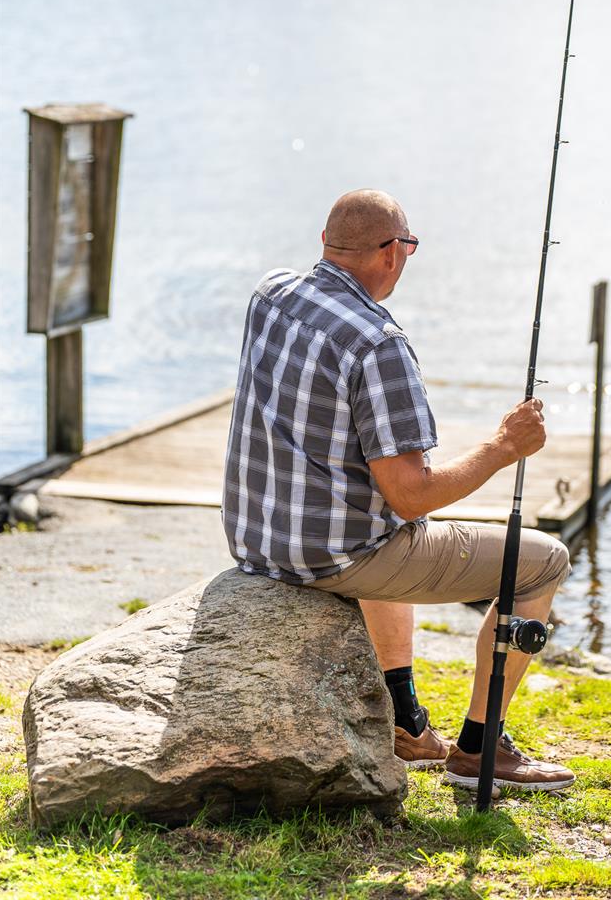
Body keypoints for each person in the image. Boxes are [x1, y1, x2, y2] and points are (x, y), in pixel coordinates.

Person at [222, 189, 574, 794]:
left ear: (326, 244)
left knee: (382, 516)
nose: (407, 258)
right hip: (330, 557)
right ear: (390, 253)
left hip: (257, 538)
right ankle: (478, 747)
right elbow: (413, 496)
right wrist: (503, 447)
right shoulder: (379, 344)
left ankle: (406, 722)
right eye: (407, 247)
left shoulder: (271, 293)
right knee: (543, 563)